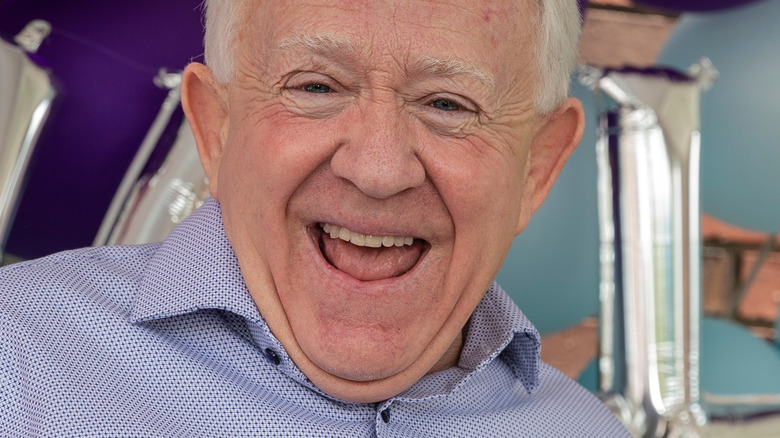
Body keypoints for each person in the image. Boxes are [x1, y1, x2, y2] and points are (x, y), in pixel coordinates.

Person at [0, 0, 629, 436]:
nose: (378, 169)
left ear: (537, 167)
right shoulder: (19, 357)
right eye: (316, 88)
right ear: (215, 130)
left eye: (447, 103)